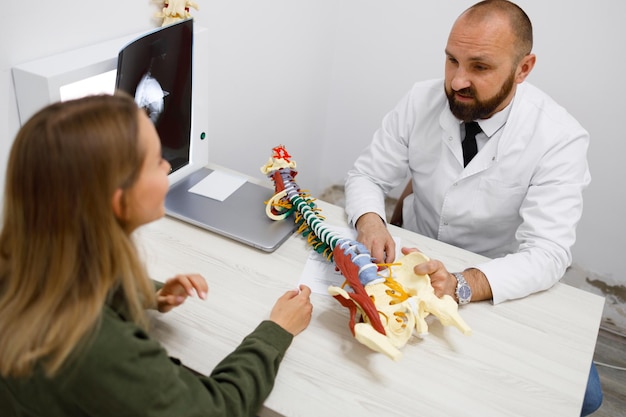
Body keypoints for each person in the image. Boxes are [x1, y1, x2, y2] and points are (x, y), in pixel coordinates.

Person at [344, 1, 601, 415]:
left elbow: (548, 253)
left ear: (524, 68)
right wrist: (371, 222)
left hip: (494, 276)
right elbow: (366, 176)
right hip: (411, 260)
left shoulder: (559, 137)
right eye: (451, 60)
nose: (457, 81)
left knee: (582, 397)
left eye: (479, 67)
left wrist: (465, 284)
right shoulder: (419, 99)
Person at [0, 93, 313, 416]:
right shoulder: (99, 349)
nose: (167, 165)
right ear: (120, 203)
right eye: (157, 160)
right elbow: (217, 409)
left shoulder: (19, 264)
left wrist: (147, 293)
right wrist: (276, 331)